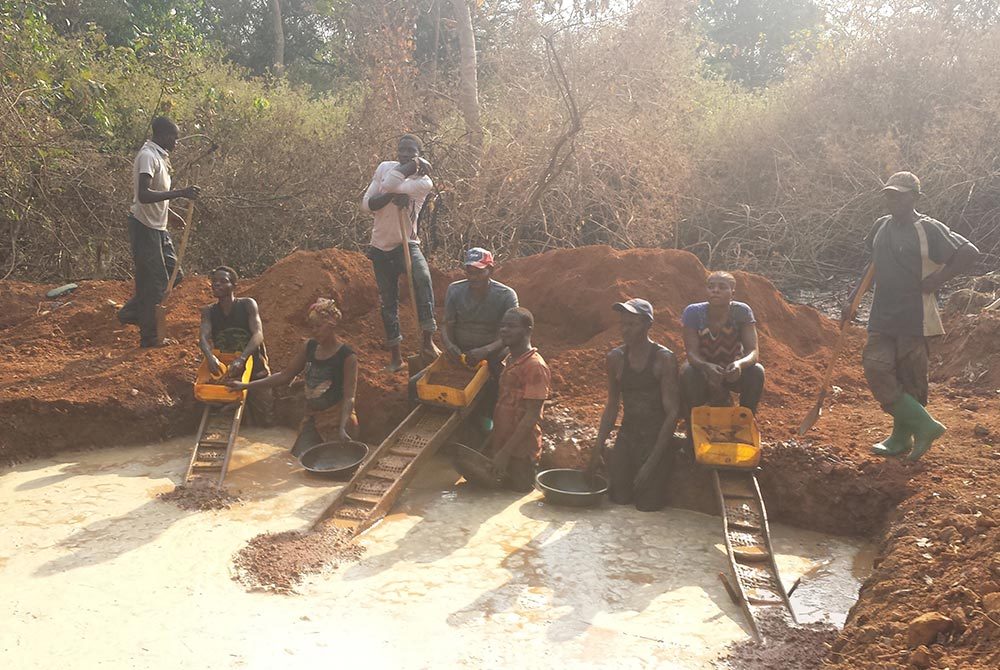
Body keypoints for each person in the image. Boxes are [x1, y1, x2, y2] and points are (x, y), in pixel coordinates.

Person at [842, 171, 980, 461]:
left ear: (915, 197)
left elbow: (968, 252)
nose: (893, 200)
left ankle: (900, 439)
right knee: (875, 368)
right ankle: (925, 426)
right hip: (881, 314)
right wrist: (853, 299)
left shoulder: (927, 228)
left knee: (911, 378)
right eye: (889, 194)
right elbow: (873, 265)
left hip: (915, 316)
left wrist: (940, 278)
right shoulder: (881, 226)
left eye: (900, 195)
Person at [229, 298, 359, 457]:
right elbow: (285, 376)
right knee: (297, 458)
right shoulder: (310, 347)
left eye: (319, 326)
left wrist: (343, 427)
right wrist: (246, 386)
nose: (314, 331)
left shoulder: (347, 356)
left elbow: (349, 397)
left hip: (337, 417)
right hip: (314, 417)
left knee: (333, 462)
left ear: (332, 325)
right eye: (312, 327)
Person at [586, 299, 681, 511]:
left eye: (632, 324)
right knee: (618, 498)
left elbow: (673, 412)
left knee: (647, 506)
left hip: (655, 439)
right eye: (623, 324)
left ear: (648, 325)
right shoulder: (616, 358)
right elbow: (612, 405)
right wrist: (597, 447)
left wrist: (651, 463)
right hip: (628, 435)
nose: (625, 330)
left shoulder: (664, 359)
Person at [117, 116, 200, 348]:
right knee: (155, 283)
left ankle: (133, 311)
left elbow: (156, 194)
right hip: (144, 227)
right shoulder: (147, 157)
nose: (176, 141)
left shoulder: (161, 158)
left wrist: (170, 215)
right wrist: (180, 193)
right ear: (163, 135)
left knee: (175, 274)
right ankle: (150, 337)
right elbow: (143, 195)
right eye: (174, 136)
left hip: (158, 227)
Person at [361, 133, 440, 372]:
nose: (404, 155)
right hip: (380, 247)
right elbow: (367, 204)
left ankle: (427, 342)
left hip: (406, 242)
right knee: (388, 302)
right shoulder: (385, 167)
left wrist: (406, 175)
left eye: (411, 152)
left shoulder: (425, 182)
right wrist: (393, 195)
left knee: (423, 279)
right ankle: (395, 357)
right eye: (402, 150)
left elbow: (390, 185)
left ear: (419, 154)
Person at [409, 247, 518, 415]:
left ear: (490, 270)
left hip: (491, 357)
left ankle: (487, 427)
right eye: (469, 272)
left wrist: (486, 350)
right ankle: (418, 416)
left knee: (495, 390)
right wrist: (450, 345)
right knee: (414, 384)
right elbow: (446, 324)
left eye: (478, 273)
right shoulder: (455, 289)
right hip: (459, 355)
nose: (473, 278)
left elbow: (510, 335)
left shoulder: (506, 295)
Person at [680, 271, 764, 415]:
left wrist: (739, 364)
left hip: (732, 370)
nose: (715, 290)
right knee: (688, 372)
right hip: (704, 369)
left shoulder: (741, 311)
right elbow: (692, 353)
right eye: (711, 286)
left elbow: (753, 351)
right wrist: (706, 366)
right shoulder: (693, 312)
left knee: (757, 371)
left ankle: (746, 419)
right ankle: (693, 425)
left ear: (733, 292)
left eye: (722, 287)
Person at [198, 266, 273, 424]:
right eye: (214, 282)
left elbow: (258, 334)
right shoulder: (209, 311)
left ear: (234, 286)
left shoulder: (247, 305)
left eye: (223, 281)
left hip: (255, 372)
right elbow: (203, 337)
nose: (216, 284)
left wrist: (242, 358)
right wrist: (209, 356)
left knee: (265, 420)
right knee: (222, 416)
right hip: (228, 373)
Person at [488, 308, 551, 492]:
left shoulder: (534, 366)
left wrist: (505, 454)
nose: (504, 330)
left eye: (511, 326)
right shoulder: (509, 360)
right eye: (502, 325)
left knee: (516, 497)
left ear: (528, 330)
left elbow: (531, 416)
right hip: (503, 447)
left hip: (521, 453)